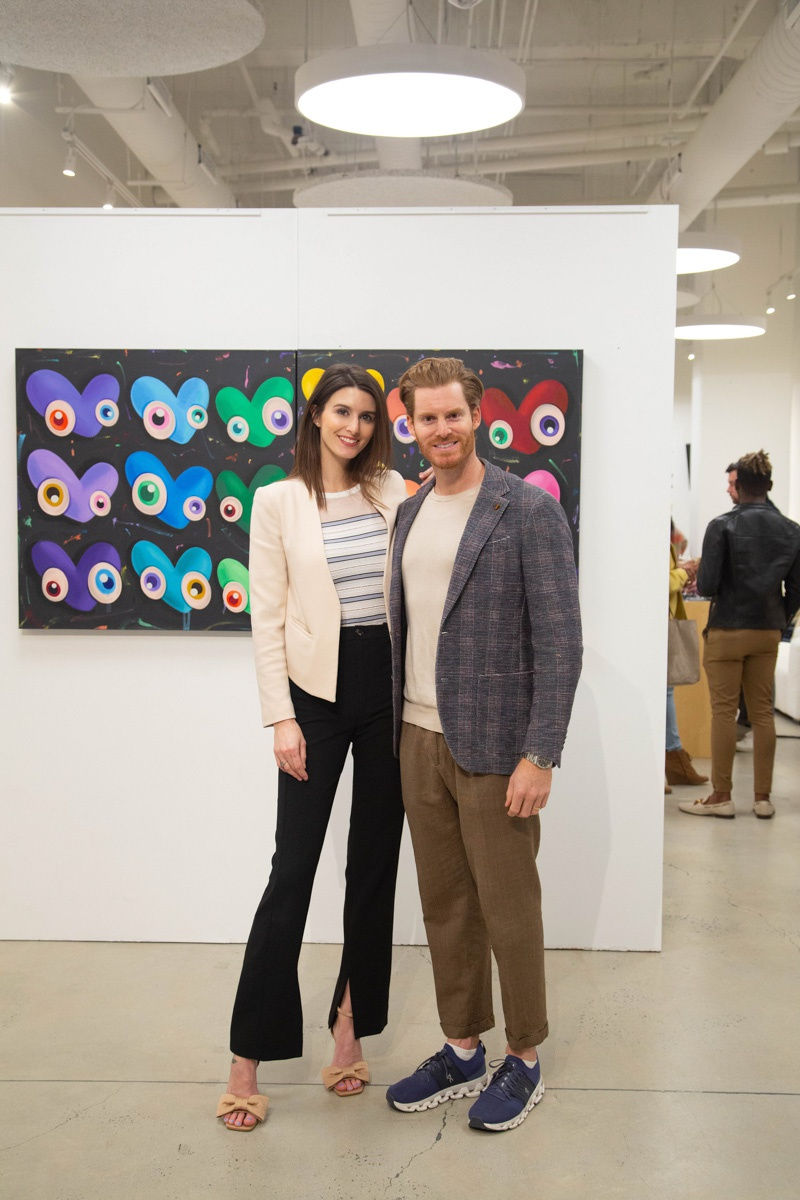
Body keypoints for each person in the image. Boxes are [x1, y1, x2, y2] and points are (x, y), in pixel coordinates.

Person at [384, 357, 582, 1133]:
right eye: (426, 419)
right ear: (412, 424)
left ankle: (524, 1057)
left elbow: (560, 640)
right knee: (445, 907)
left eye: (453, 416)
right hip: (417, 734)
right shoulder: (410, 511)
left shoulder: (525, 510)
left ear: (478, 417)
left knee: (508, 907)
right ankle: (462, 1046)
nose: (441, 430)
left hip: (498, 746)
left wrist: (542, 753)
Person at [217, 363, 407, 1129]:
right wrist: (281, 717)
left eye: (365, 414)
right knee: (291, 869)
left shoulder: (394, 491)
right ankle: (246, 1055)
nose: (353, 426)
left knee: (374, 864)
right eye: (341, 411)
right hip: (314, 695)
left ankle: (349, 1026)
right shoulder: (277, 502)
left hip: (390, 688)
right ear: (316, 415)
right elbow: (267, 617)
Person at [679, 450, 800, 821]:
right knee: (763, 713)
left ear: (739, 486)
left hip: (728, 628)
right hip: (767, 630)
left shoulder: (722, 526)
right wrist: (779, 617)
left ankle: (721, 796)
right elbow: (796, 589)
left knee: (723, 713)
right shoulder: (792, 531)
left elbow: (711, 583)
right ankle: (762, 799)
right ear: (768, 486)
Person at [666, 534, 708, 789]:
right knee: (665, 691)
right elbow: (664, 582)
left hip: (665, 623)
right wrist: (684, 572)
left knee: (666, 690)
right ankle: (674, 757)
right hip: (659, 626)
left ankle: (674, 757)